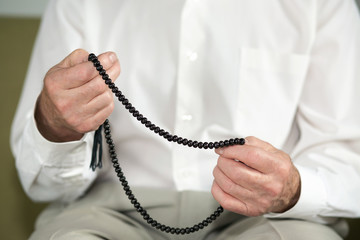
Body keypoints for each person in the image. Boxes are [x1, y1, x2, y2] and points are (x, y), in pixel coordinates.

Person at [11, 0, 360, 239]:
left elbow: (350, 158)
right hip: (107, 215)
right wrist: (54, 126)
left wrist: (294, 188)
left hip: (266, 223)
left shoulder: (323, 5)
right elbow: (40, 185)